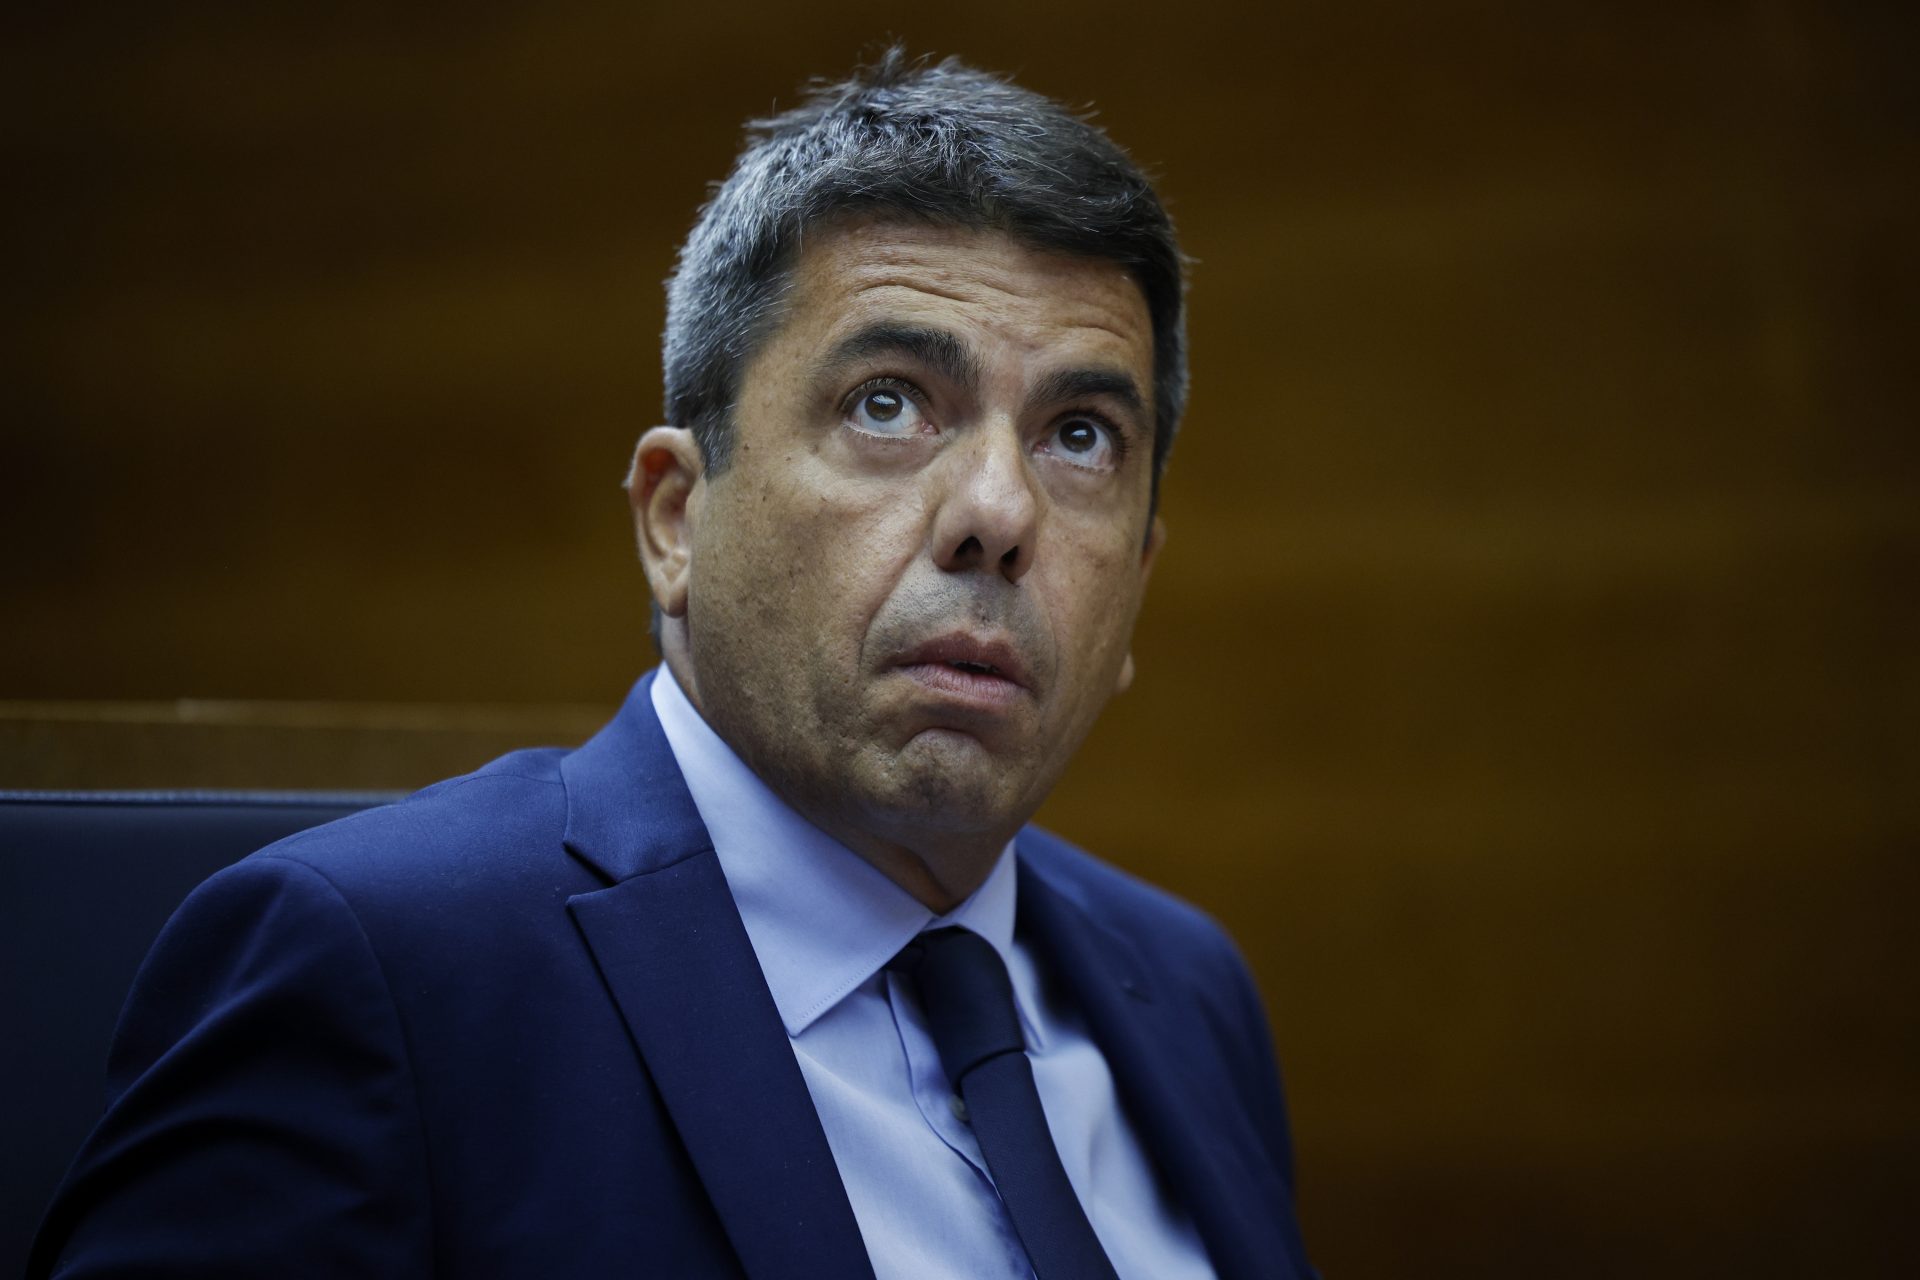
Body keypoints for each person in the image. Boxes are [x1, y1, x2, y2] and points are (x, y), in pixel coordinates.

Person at [30, 51, 1317, 1280]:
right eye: (886, 401)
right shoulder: (375, 974)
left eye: (1081, 434)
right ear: (674, 521)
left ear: (1136, 586)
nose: (999, 510)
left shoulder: (1185, 986)